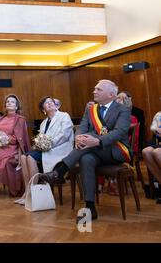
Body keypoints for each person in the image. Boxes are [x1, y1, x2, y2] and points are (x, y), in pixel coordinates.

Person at [40, 80, 131, 221]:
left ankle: (60, 171)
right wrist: (78, 138)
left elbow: (120, 131)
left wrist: (97, 140)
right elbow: (81, 128)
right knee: (85, 159)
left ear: (111, 94)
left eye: (98, 89)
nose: (94, 91)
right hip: (92, 151)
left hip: (114, 150)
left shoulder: (122, 109)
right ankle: (90, 207)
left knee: (91, 137)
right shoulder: (91, 109)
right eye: (95, 89)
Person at [15, 96, 74, 205]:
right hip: (46, 150)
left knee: (30, 157)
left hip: (59, 149)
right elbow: (41, 139)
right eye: (46, 103)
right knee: (23, 157)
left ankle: (32, 193)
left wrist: (48, 144)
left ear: (56, 105)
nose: (50, 103)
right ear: (43, 110)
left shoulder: (64, 116)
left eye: (51, 102)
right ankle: (27, 192)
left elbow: (64, 135)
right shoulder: (43, 123)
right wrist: (39, 144)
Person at [142, 110, 161, 204]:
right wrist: (156, 129)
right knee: (146, 151)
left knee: (157, 152)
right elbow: (153, 128)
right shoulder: (158, 114)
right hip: (158, 142)